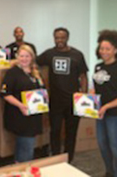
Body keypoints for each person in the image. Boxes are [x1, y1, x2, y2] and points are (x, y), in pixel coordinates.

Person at [37, 27, 88, 162]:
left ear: (67, 38)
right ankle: (55, 158)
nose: (59, 40)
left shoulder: (77, 54)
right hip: (55, 101)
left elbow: (83, 76)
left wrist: (84, 96)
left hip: (73, 101)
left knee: (71, 133)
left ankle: (68, 159)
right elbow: (34, 62)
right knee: (55, 131)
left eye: (62, 37)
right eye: (57, 38)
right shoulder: (49, 54)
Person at [92, 30, 117, 177]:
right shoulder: (98, 67)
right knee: (102, 145)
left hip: (115, 114)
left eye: (107, 49)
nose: (104, 51)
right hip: (100, 112)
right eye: (102, 48)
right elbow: (97, 89)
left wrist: (107, 106)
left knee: (115, 146)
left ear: (115, 50)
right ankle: (109, 172)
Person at [1, 45, 43, 163]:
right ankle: (24, 168)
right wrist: (21, 105)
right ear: (17, 57)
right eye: (21, 56)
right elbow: (5, 94)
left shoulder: (36, 72)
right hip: (20, 115)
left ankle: (19, 167)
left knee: (22, 147)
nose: (24, 59)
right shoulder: (12, 73)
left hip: (33, 115)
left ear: (32, 57)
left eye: (27, 56)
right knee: (27, 149)